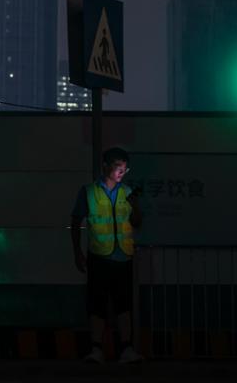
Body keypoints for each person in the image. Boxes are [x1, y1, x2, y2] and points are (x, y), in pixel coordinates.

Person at [70, 146, 143, 363]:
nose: (122, 171)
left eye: (125, 168)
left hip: (123, 256)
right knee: (97, 304)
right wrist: (77, 253)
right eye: (118, 167)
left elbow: (137, 222)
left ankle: (126, 349)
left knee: (124, 303)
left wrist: (136, 206)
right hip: (99, 256)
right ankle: (96, 349)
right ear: (105, 166)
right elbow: (75, 222)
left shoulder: (128, 193)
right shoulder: (88, 191)